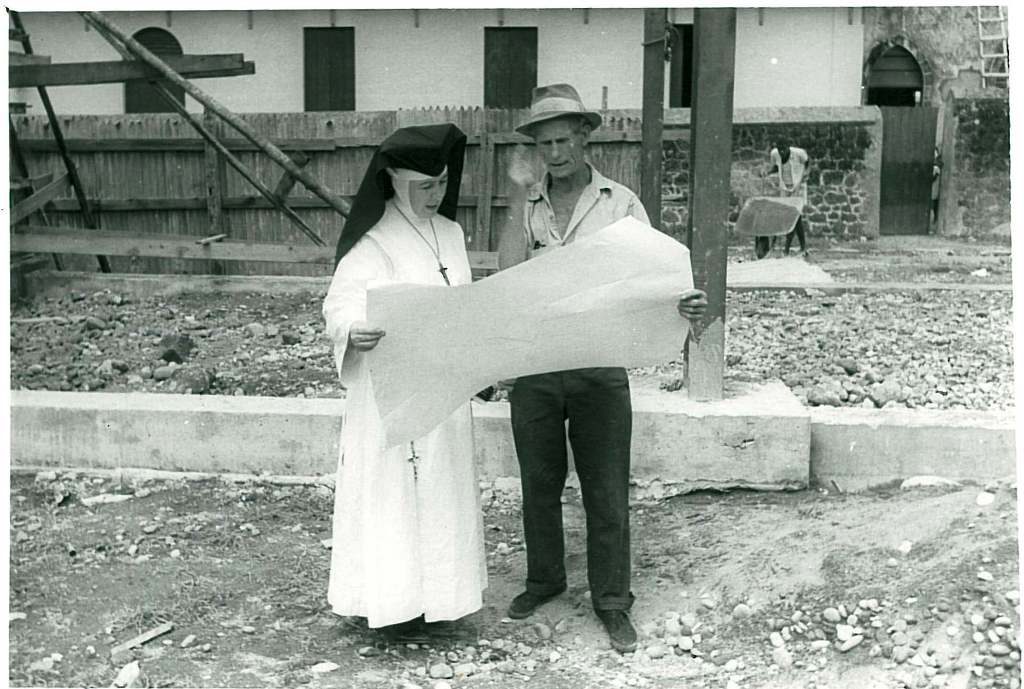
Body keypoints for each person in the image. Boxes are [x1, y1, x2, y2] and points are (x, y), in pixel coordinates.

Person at [497, 83, 707, 654]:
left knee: (607, 491)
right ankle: (544, 581)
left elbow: (655, 275)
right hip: (537, 365)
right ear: (535, 149)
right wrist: (518, 199)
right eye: (545, 144)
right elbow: (507, 278)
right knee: (539, 485)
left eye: (565, 140)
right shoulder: (528, 204)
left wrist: (680, 303)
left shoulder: (620, 203)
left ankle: (612, 602)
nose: (556, 152)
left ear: (585, 137)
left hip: (599, 368)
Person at [322, 123, 486, 644]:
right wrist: (354, 330)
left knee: (441, 490)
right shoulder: (372, 241)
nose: (436, 196)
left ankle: (442, 601)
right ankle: (388, 603)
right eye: (424, 187)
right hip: (389, 393)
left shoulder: (453, 235)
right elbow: (339, 303)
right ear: (393, 180)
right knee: (392, 493)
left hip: (441, 391)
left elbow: (464, 301)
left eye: (441, 185)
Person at [755, 138, 810, 258]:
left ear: (788, 148)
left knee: (794, 216)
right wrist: (768, 172)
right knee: (792, 217)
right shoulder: (775, 154)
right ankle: (802, 248)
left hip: (798, 187)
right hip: (785, 187)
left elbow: (807, 162)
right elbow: (777, 167)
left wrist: (804, 175)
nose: (782, 152)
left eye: (784, 150)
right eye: (780, 150)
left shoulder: (798, 153)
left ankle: (787, 249)